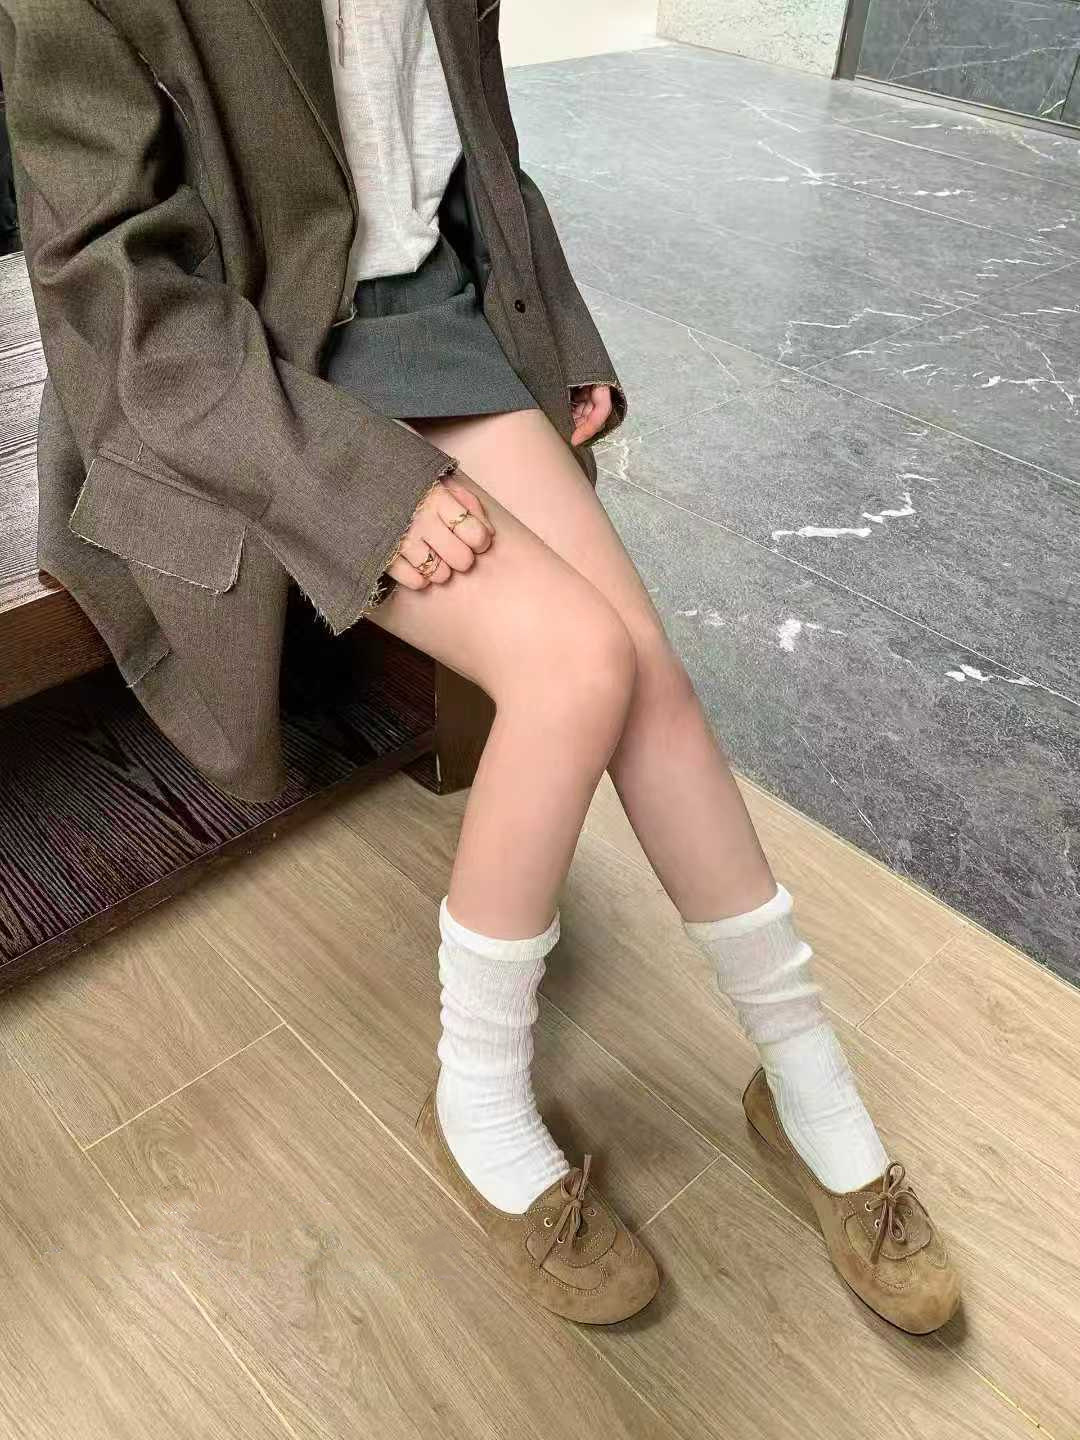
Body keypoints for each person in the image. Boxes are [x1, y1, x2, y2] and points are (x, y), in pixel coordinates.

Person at [1, 0, 959, 1333]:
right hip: (247, 374)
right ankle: (479, 1100)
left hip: (426, 318)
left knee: (649, 681)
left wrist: (557, 333)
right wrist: (356, 488)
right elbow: (115, 294)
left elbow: (480, 155)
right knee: (575, 667)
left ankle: (806, 1083)